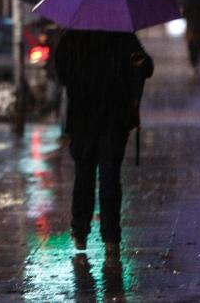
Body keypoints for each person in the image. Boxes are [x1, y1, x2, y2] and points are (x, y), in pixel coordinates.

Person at [55, 30, 153, 264]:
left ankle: (80, 232)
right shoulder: (123, 36)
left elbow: (60, 72)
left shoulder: (73, 37)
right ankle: (111, 239)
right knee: (110, 177)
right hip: (113, 117)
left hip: (82, 118)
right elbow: (145, 67)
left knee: (84, 175)